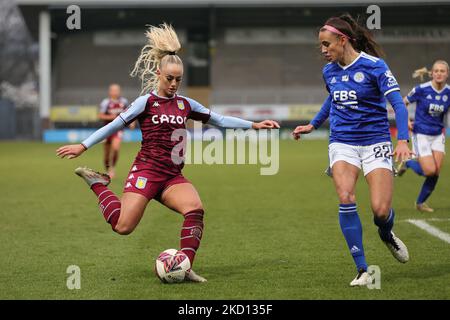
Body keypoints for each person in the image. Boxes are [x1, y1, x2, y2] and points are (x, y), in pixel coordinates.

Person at [56, 23, 279, 283]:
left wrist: (254, 125)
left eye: (178, 80)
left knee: (195, 209)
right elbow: (115, 125)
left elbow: (219, 120)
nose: (174, 84)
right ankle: (97, 183)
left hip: (172, 176)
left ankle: (184, 267)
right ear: (159, 73)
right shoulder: (146, 102)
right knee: (123, 227)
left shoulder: (186, 104)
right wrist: (83, 146)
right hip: (146, 172)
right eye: (169, 78)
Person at [292, 14, 412, 286]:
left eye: (326, 44)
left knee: (380, 211)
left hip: (376, 142)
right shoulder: (329, 71)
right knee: (346, 196)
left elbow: (399, 105)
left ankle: (386, 232)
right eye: (320, 45)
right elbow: (332, 99)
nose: (323, 50)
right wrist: (313, 124)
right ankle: (362, 270)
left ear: (343, 40)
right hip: (342, 142)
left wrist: (402, 140)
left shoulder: (375, 67)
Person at [396, 60, 450, 212]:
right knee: (429, 171)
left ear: (447, 74)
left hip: (438, 135)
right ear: (431, 73)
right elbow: (401, 103)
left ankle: (420, 203)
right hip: (421, 134)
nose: (439, 73)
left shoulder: (448, 92)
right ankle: (408, 163)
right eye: (436, 71)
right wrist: (406, 121)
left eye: (442, 71)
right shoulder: (421, 89)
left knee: (436, 171)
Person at [98, 84, 129, 178]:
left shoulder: (124, 102)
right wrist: (110, 117)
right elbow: (100, 115)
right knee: (106, 155)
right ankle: (107, 169)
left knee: (116, 148)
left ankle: (112, 168)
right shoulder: (105, 102)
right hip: (107, 130)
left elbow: (130, 113)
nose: (115, 92)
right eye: (113, 90)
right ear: (110, 92)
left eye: (117, 90)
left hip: (118, 130)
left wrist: (131, 123)